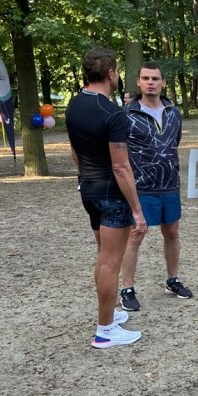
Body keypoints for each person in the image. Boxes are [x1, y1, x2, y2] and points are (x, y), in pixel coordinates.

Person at [65, 47, 147, 348]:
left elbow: (74, 151)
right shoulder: (113, 114)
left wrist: (85, 175)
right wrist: (137, 210)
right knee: (111, 262)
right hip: (111, 194)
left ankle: (108, 314)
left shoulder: (74, 105)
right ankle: (105, 330)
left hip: (88, 189)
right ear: (111, 72)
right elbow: (120, 165)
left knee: (103, 257)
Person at [118, 62, 192, 312]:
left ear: (163, 83)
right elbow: (120, 152)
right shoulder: (127, 114)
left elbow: (175, 142)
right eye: (146, 78)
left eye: (155, 78)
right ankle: (127, 288)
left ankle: (173, 280)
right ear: (138, 82)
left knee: (171, 233)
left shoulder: (173, 112)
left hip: (169, 184)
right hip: (141, 186)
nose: (151, 82)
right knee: (135, 235)